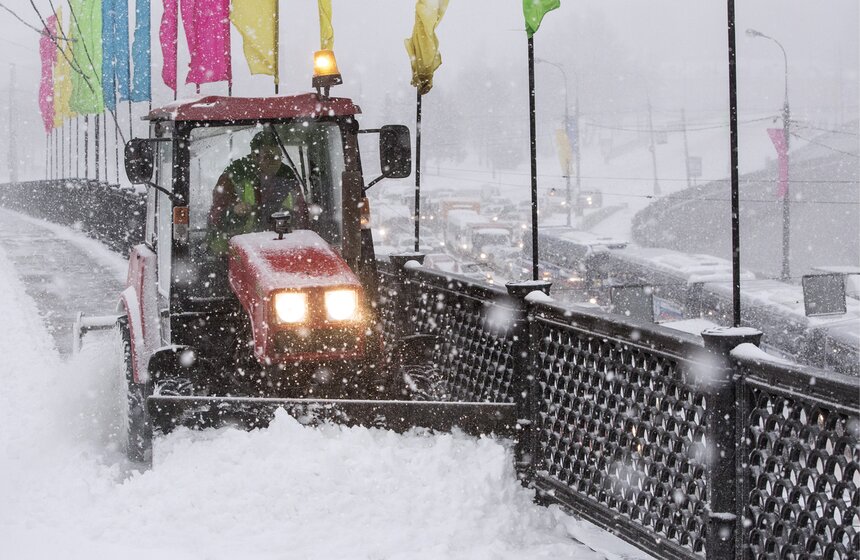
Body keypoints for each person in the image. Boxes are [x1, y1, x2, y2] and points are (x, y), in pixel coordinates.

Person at [208, 129, 309, 254]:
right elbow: (216, 218)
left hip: (281, 247)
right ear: (254, 156)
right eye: (268, 156)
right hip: (236, 251)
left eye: (278, 155)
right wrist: (234, 212)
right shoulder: (234, 176)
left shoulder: (288, 176)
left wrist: (291, 220)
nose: (275, 161)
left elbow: (302, 216)